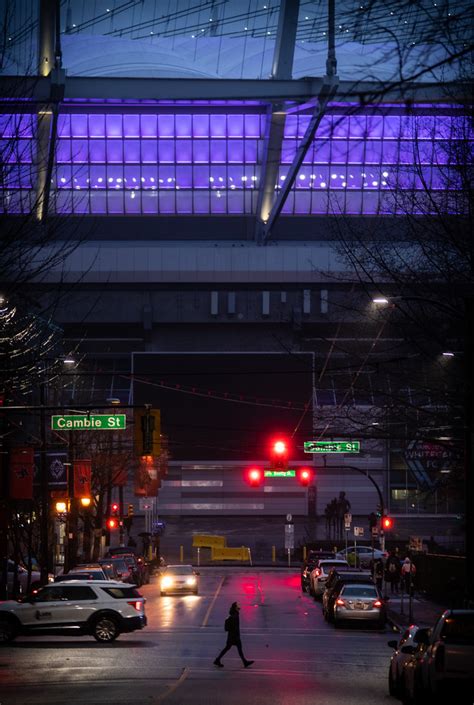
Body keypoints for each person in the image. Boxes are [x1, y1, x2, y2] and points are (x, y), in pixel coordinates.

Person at [214, 602, 254, 668]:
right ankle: (245, 662)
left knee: (229, 648)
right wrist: (237, 636)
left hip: (232, 636)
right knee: (236, 649)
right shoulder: (235, 616)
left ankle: (217, 660)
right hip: (234, 636)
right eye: (237, 606)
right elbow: (234, 627)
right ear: (235, 608)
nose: (239, 607)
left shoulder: (235, 614)